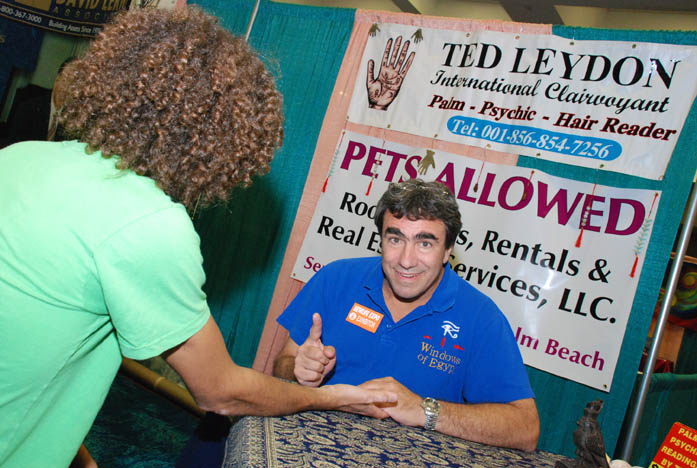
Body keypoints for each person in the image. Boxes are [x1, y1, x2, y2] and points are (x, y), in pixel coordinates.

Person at [0, 7, 395, 468]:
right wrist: (334, 397)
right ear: (219, 140)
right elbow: (221, 392)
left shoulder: (21, 156)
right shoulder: (153, 224)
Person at [273, 178, 540, 451]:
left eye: (425, 244)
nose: (406, 260)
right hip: (312, 445)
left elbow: (525, 429)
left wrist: (423, 410)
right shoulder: (336, 278)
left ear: (448, 250)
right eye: (395, 239)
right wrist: (298, 372)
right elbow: (283, 363)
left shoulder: (482, 317)